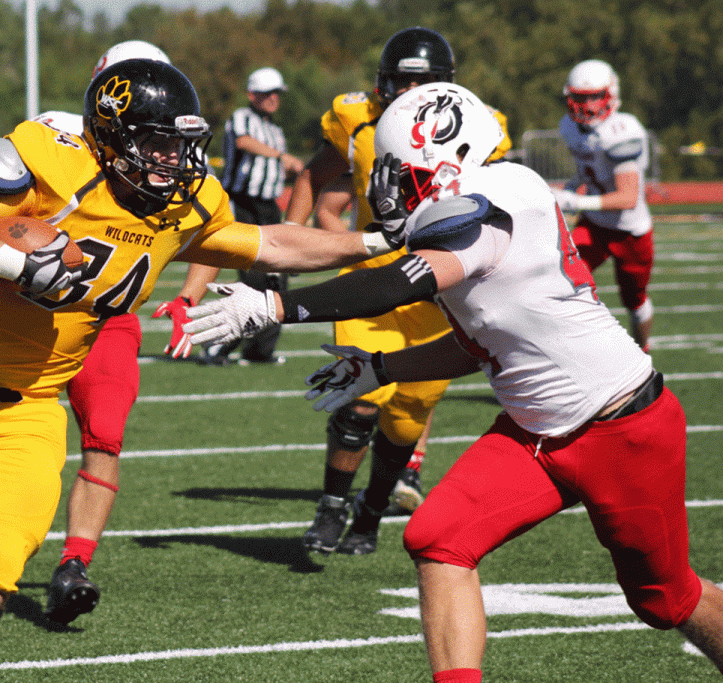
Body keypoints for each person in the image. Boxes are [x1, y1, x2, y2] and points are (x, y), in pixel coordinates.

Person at [0, 59, 394, 683]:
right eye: (158, 144)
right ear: (111, 135)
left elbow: (270, 242)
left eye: (182, 145)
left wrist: (376, 242)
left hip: (27, 414)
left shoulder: (185, 204)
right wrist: (15, 260)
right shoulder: (51, 161)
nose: (174, 161)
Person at [183, 82, 723, 682]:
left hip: (619, 428)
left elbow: (395, 283)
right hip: (536, 433)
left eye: (405, 173)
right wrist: (378, 367)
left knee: (665, 601)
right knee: (440, 539)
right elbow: (479, 343)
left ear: (452, 156)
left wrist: (278, 309)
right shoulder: (482, 201)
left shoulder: (492, 198)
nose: (393, 188)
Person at [281, 27, 511, 556]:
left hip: (439, 288)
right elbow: (314, 179)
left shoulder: (481, 126)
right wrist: (290, 251)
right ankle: (331, 506)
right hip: (372, 280)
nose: (409, 93)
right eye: (400, 82)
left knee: (407, 415)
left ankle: (371, 510)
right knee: (360, 397)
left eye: (422, 82)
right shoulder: (356, 121)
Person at [34, 40, 221, 625]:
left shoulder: (173, 154)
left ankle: (73, 565)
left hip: (110, 316)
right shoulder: (53, 136)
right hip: (34, 316)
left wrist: (189, 293)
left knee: (104, 434)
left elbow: (218, 228)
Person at [203, 67, 304, 365]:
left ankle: (261, 350)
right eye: (266, 93)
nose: (273, 98)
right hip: (243, 205)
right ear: (252, 95)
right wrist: (280, 157)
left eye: (276, 93)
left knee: (277, 281)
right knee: (254, 283)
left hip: (269, 207)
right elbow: (243, 142)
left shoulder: (275, 130)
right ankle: (216, 347)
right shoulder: (241, 118)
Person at [553, 59, 655, 351]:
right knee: (562, 279)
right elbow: (589, 171)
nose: (587, 105)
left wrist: (575, 199)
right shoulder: (570, 128)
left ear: (611, 94)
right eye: (580, 97)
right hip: (595, 225)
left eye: (595, 96)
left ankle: (643, 350)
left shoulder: (623, 130)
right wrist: (568, 189)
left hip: (629, 230)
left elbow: (627, 198)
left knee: (634, 302)